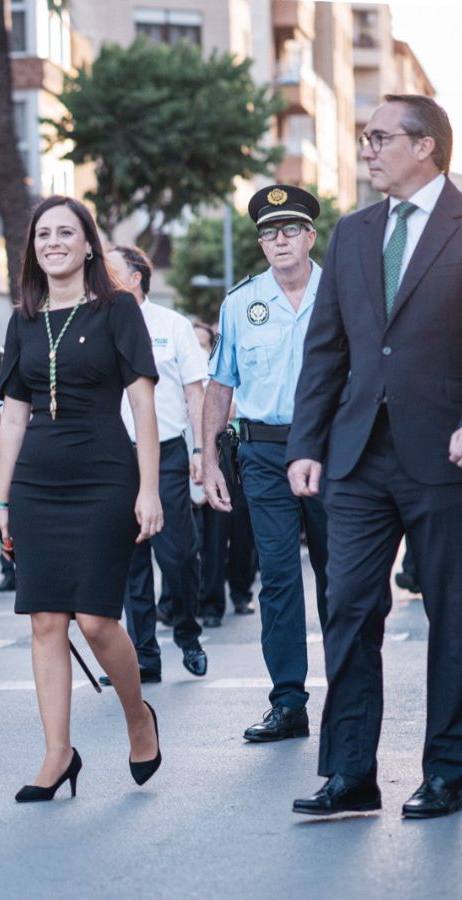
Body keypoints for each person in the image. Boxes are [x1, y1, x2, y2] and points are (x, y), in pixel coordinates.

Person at [289, 95, 462, 818]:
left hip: (445, 453)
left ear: (424, 146)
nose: (366, 149)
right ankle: (350, 774)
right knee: (348, 608)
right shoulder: (354, 233)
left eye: (378, 137)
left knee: (452, 616)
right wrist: (305, 443)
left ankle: (450, 769)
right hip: (356, 456)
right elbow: (326, 346)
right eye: (364, 138)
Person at [0, 196, 162, 802]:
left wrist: (149, 489)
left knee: (94, 619)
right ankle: (57, 754)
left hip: (105, 476)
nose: (54, 242)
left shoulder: (118, 311)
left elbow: (142, 406)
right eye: (43, 234)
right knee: (45, 620)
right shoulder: (22, 320)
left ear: (89, 244)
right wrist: (2, 500)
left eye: (67, 232)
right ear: (32, 247)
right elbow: (13, 416)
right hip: (38, 481)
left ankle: (137, 716)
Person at [202, 184, 329, 745]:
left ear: (310, 236)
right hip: (263, 453)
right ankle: (288, 702)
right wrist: (207, 460)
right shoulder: (240, 303)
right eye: (268, 233)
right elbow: (220, 385)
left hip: (333, 452)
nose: (278, 240)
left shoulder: (342, 293)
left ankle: (348, 694)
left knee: (340, 578)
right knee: (277, 577)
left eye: (289, 230)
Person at [100, 244, 207, 683]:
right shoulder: (97, 323)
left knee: (179, 554)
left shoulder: (172, 326)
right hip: (114, 457)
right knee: (129, 561)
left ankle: (187, 630)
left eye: (111, 271)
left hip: (165, 453)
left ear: (137, 276)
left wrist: (202, 449)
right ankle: (143, 656)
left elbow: (195, 391)